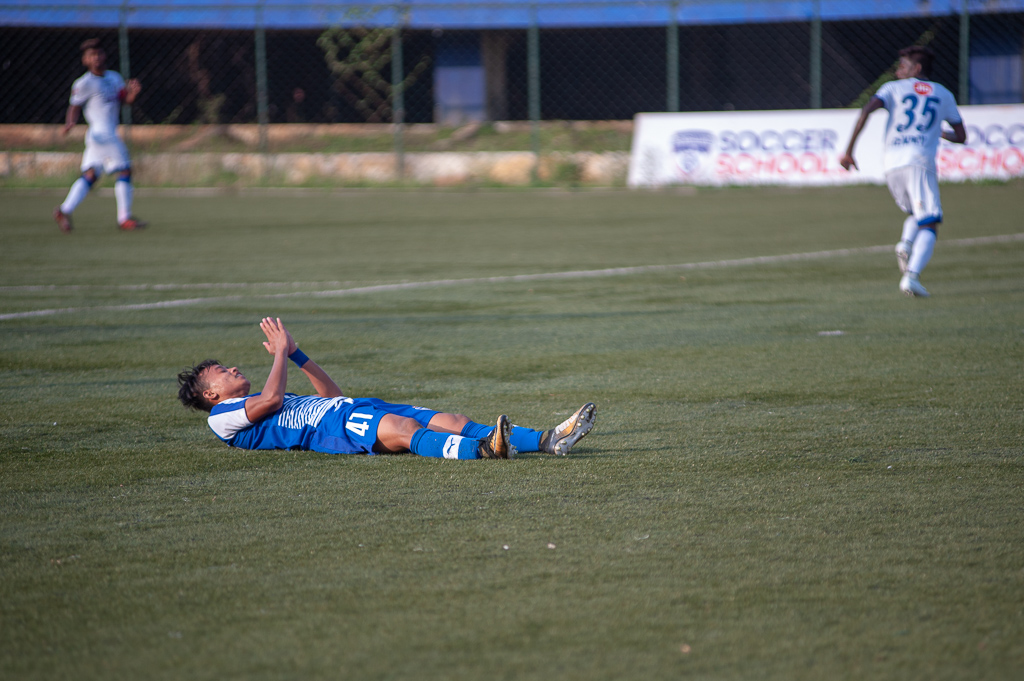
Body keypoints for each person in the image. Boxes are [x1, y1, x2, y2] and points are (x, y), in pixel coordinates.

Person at [177, 317, 597, 460]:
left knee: (452, 420)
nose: (230, 368)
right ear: (210, 394)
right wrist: (277, 354)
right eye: (219, 371)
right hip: (335, 431)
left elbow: (329, 395)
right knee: (400, 430)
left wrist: (297, 355)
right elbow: (271, 400)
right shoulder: (223, 418)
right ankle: (484, 451)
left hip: (347, 408)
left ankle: (546, 441)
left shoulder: (257, 396)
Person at [839, 45, 967, 297]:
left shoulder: (891, 89)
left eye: (902, 66)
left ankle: (906, 244)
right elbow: (961, 136)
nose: (898, 71)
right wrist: (940, 132)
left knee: (914, 212)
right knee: (930, 222)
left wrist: (849, 150)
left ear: (916, 68)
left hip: (892, 163)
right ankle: (912, 277)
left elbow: (867, 110)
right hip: (919, 161)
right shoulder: (943, 93)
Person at [53, 38, 146, 233]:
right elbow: (74, 106)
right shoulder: (84, 83)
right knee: (125, 171)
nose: (96, 58)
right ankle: (124, 218)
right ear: (85, 60)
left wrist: (134, 94)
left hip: (101, 136)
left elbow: (124, 100)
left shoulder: (114, 78)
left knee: (91, 175)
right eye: (91, 55)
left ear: (104, 55)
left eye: (99, 53)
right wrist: (70, 122)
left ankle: (64, 210)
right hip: (102, 134)